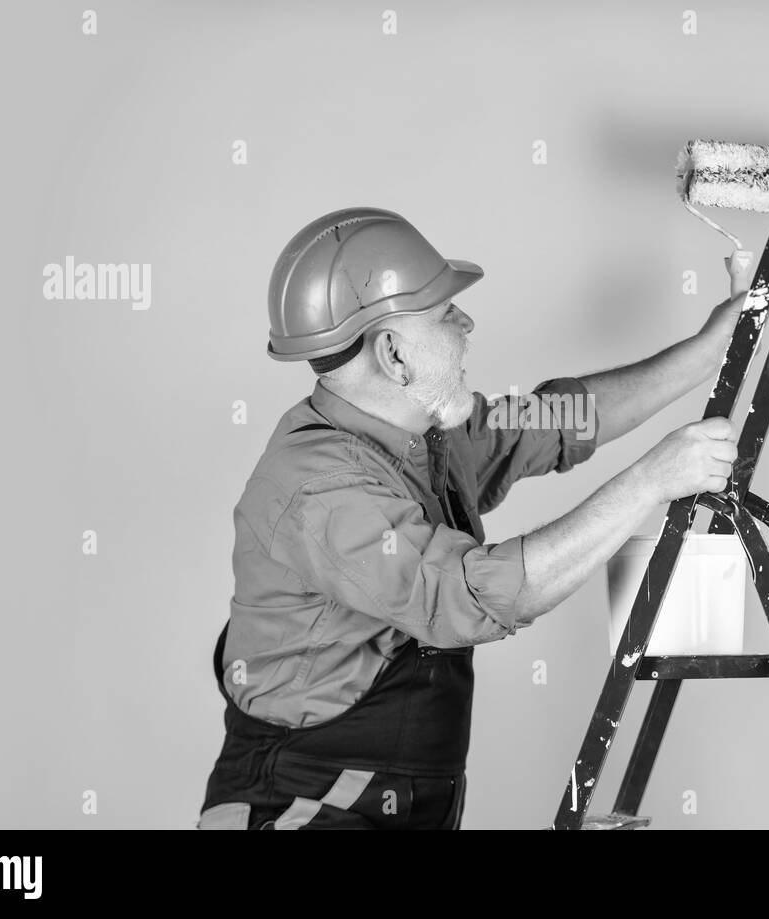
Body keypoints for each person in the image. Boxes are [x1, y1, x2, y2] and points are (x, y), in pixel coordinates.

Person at [197, 207, 741, 829]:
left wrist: (706, 354)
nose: (466, 322)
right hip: (302, 807)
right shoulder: (322, 490)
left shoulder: (419, 434)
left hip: (391, 803)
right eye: (443, 312)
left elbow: (551, 423)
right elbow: (466, 598)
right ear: (394, 354)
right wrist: (651, 481)